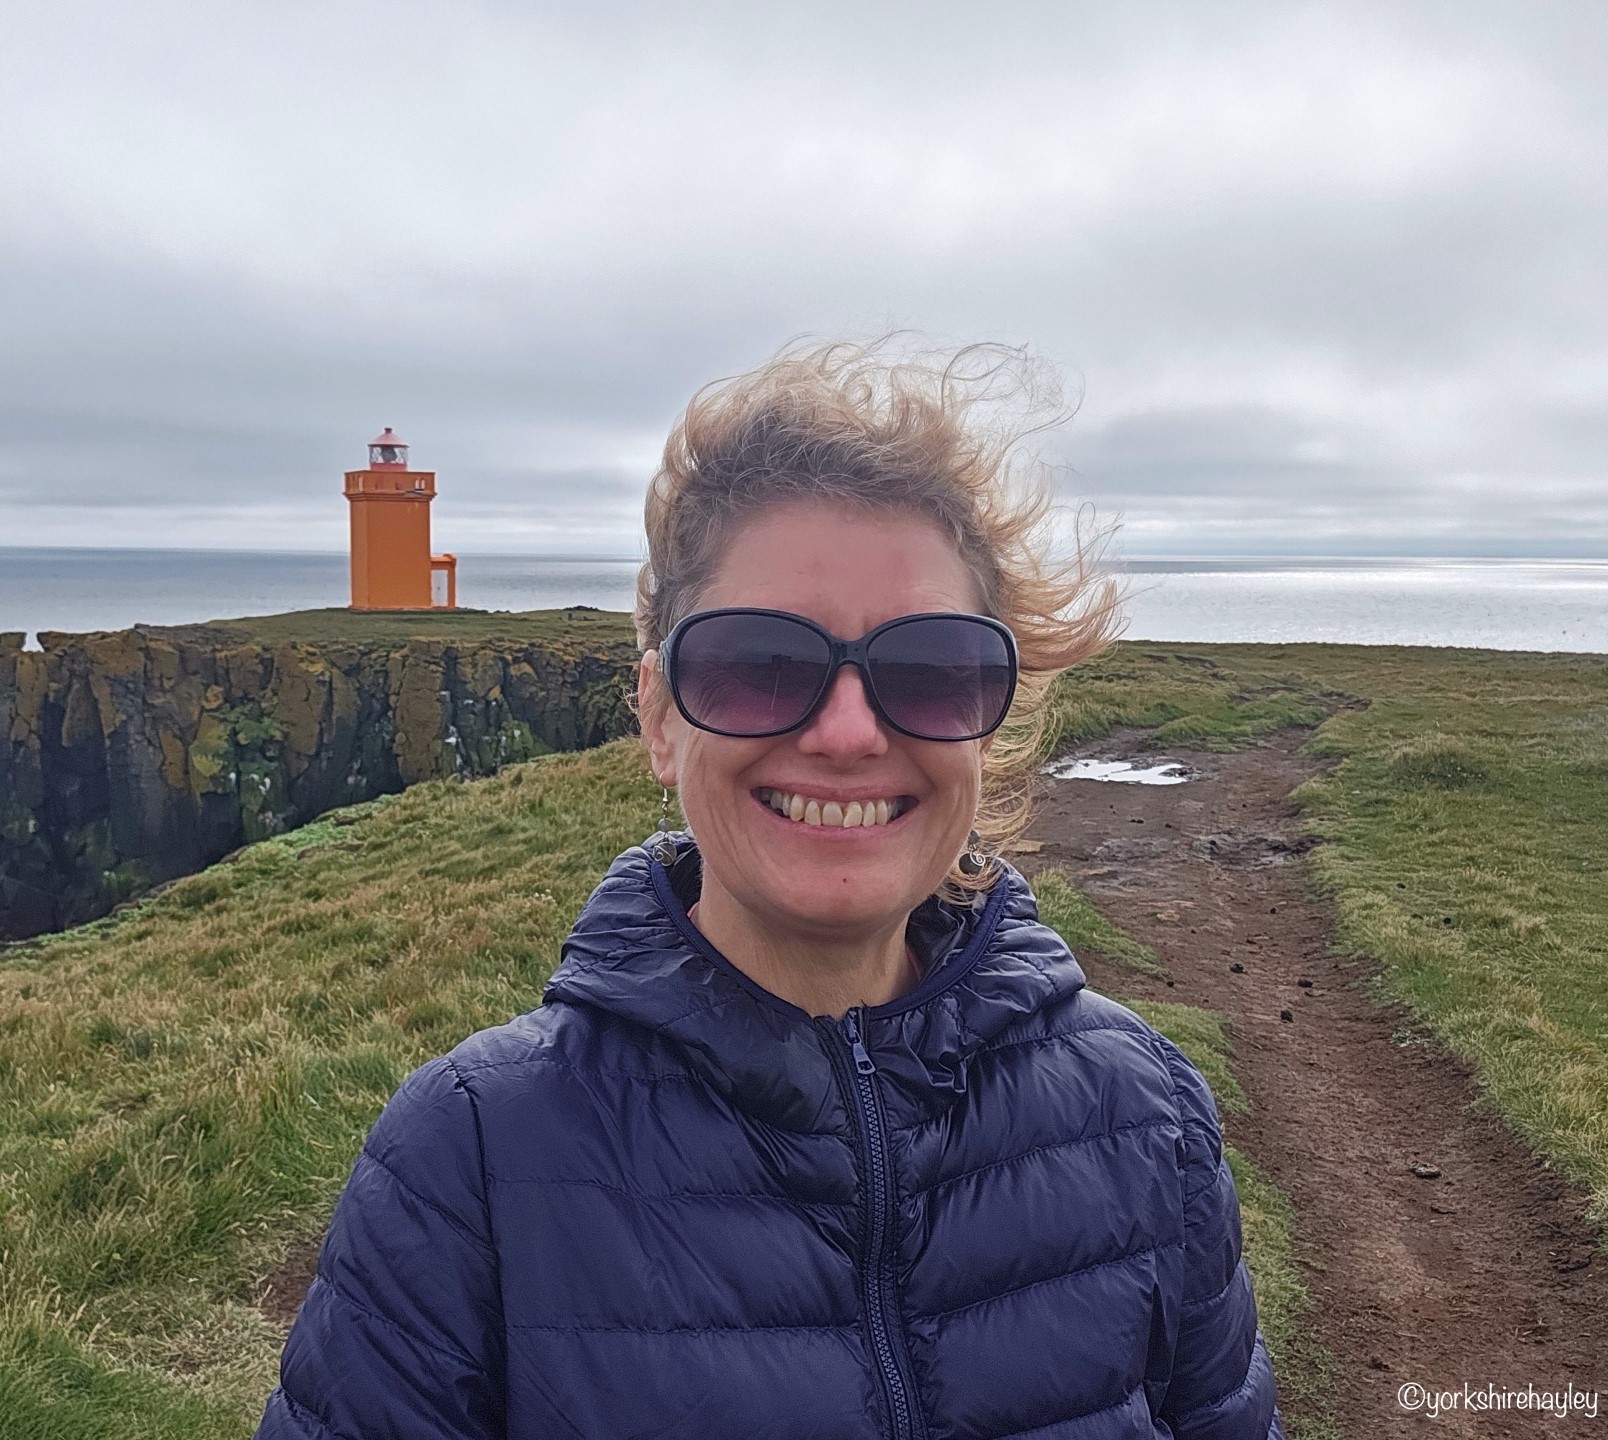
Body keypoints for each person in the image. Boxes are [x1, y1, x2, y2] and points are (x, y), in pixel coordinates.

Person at [255, 340, 1286, 1439]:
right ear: (658, 716)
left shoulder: (1147, 1115)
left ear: (990, 721)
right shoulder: (465, 1160)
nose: (847, 733)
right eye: (758, 663)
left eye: (930, 669)